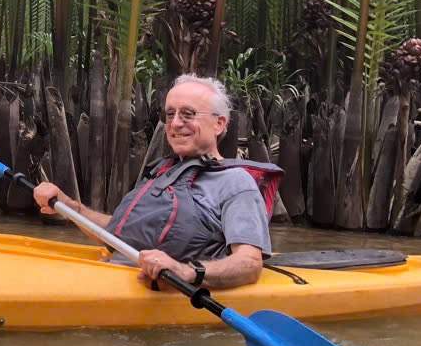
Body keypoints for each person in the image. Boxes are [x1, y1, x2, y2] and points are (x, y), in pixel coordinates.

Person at [33, 73, 280, 290]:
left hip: (165, 288)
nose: (174, 124)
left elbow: (249, 263)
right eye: (170, 114)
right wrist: (70, 207)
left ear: (219, 123)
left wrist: (186, 273)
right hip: (114, 274)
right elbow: (121, 234)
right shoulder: (162, 171)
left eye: (188, 114)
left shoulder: (236, 183)